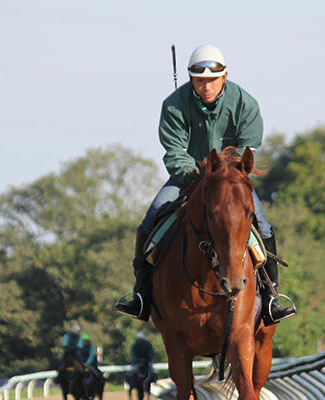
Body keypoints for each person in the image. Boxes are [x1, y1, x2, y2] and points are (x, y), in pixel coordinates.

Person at [115, 44, 296, 325]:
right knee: (151, 219)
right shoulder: (173, 104)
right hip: (187, 178)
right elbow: (174, 150)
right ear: (191, 79)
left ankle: (272, 297)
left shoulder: (245, 104)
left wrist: (223, 175)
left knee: (261, 222)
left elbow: (250, 148)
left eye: (212, 80)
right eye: (200, 81)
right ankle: (140, 296)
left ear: (224, 77)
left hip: (230, 181)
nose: (206, 86)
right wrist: (197, 177)